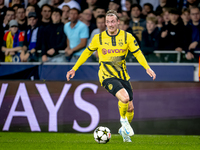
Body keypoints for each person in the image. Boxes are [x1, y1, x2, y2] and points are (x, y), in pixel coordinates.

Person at [66, 10, 156, 142]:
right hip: (106, 76)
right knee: (124, 98)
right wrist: (74, 68)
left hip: (123, 76)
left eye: (113, 21)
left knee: (130, 107)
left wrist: (147, 67)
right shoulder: (98, 38)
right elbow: (86, 53)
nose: (110, 24)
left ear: (118, 22)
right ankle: (123, 122)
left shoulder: (127, 37)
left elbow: (138, 53)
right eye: (108, 22)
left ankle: (123, 131)